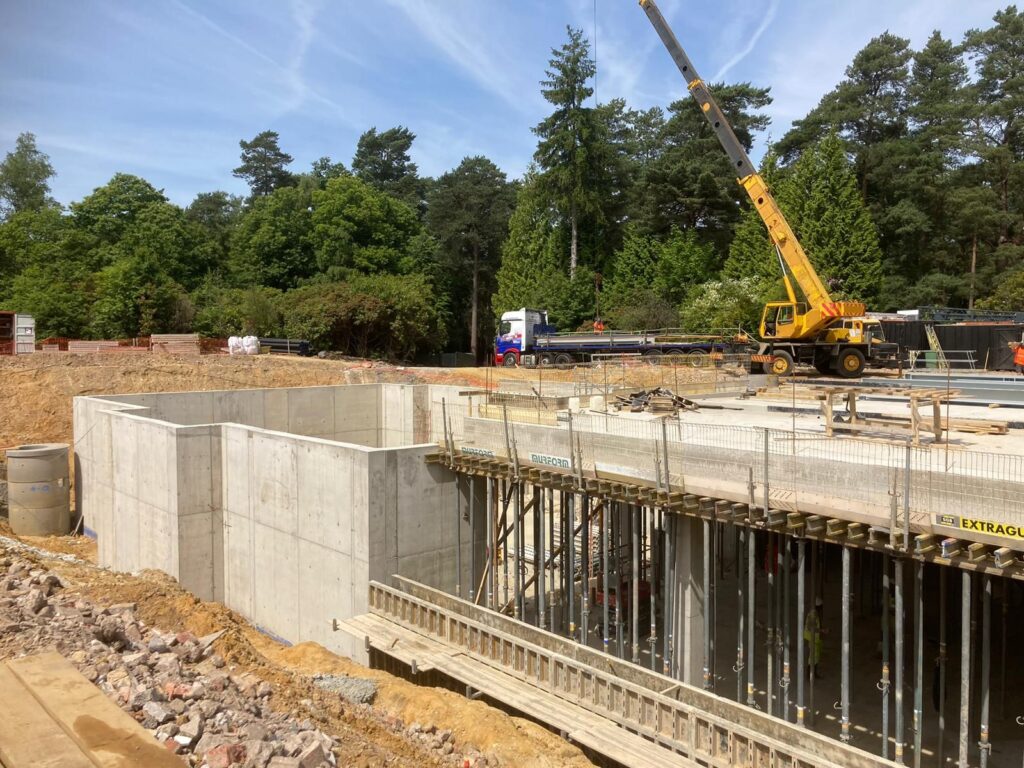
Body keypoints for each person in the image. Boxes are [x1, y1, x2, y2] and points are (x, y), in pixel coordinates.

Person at [803, 596, 825, 678]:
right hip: (811, 639)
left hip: (815, 639)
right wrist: (822, 630)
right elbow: (810, 627)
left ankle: (813, 674)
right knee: (812, 658)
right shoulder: (813, 614)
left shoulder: (815, 613)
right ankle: (810, 675)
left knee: (815, 658)